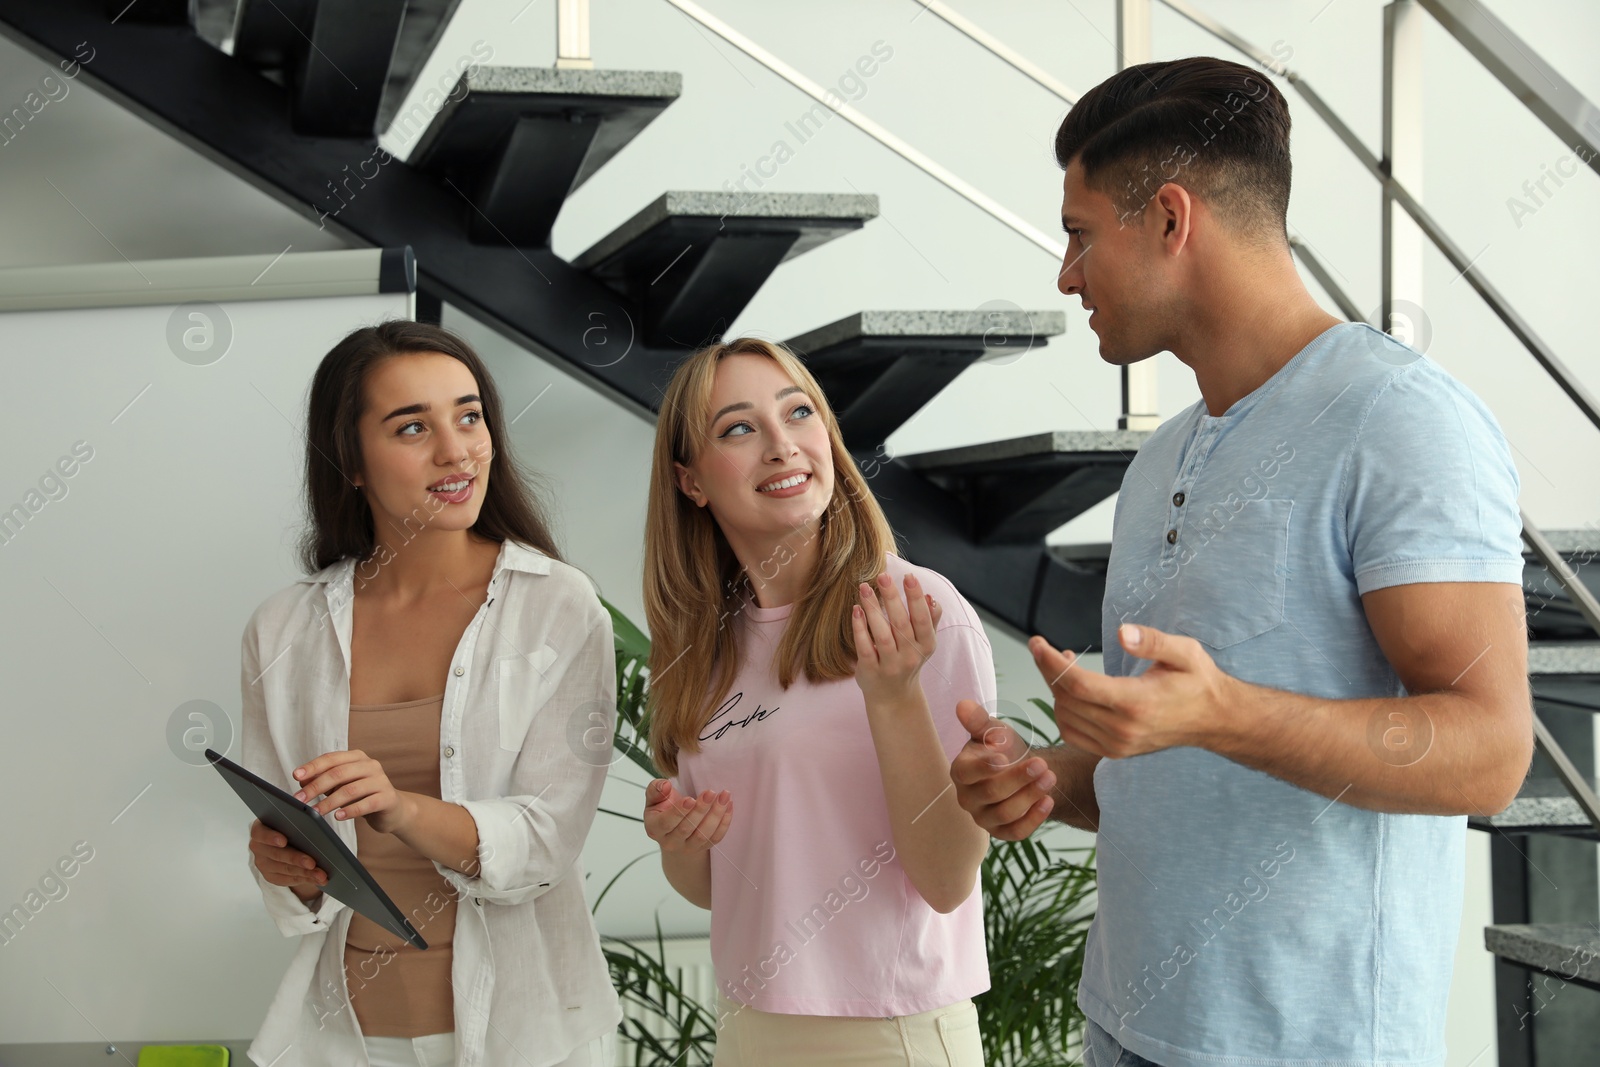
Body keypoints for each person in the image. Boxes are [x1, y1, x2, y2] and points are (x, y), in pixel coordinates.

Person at [950, 57, 1531, 1067]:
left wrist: (1225, 712)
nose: (1064, 273)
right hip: (1124, 1025)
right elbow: (1175, 759)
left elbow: (1489, 749)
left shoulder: (1399, 422)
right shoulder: (1161, 458)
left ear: (1170, 220)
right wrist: (1053, 775)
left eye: (1079, 234)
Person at [238, 321, 621, 1067]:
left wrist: (402, 809)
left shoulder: (559, 607)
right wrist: (282, 864)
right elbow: (294, 848)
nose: (457, 450)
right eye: (412, 426)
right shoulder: (282, 629)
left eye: (469, 415)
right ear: (349, 460)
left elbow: (546, 841)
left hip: (526, 1031)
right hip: (345, 1031)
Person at [639, 336, 993, 1066]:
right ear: (691, 480)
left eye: (799, 412)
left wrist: (892, 697)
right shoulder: (699, 650)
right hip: (749, 1024)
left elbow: (948, 878)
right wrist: (682, 846)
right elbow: (714, 888)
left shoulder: (918, 610)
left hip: (892, 1030)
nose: (782, 444)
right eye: (738, 427)